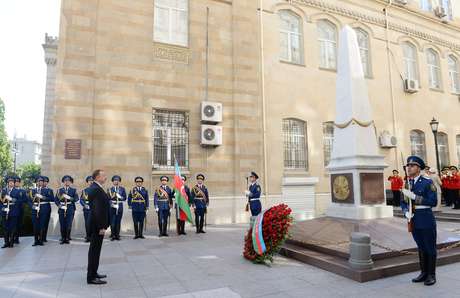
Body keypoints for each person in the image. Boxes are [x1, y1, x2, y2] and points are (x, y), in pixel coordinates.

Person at [401, 156, 437, 286]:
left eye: (412, 165)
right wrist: (405, 211)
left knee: (429, 247)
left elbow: (433, 201)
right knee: (421, 247)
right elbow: (403, 202)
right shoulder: (407, 183)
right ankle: (423, 273)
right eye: (408, 166)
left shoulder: (427, 182)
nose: (409, 168)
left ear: (418, 168)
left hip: (426, 218)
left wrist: (415, 197)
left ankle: (431, 275)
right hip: (413, 219)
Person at [86, 169, 110, 285]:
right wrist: (101, 226)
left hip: (98, 224)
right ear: (96, 177)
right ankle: (91, 277)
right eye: (103, 175)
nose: (105, 177)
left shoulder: (97, 188)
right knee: (94, 251)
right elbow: (97, 210)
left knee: (96, 250)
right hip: (97, 225)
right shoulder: (95, 189)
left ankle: (94, 272)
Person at [27, 176, 52, 246]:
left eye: (41, 181)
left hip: (44, 209)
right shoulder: (32, 190)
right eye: (38, 181)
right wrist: (33, 206)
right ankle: (35, 240)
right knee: (35, 225)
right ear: (36, 182)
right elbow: (29, 200)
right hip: (35, 209)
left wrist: (44, 197)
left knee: (42, 225)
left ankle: (41, 240)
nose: (39, 182)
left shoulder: (47, 190)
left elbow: (51, 198)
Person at [1, 176, 25, 248]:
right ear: (7, 183)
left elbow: (21, 201)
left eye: (12, 182)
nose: (11, 183)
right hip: (5, 211)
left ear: (14, 183)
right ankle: (6, 242)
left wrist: (14, 200)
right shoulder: (3, 191)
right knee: (5, 227)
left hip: (14, 211)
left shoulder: (17, 191)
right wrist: (2, 209)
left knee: (13, 227)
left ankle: (11, 242)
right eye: (9, 182)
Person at [55, 175, 79, 244]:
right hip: (62, 208)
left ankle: (67, 238)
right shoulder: (59, 190)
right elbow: (56, 200)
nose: (67, 182)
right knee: (62, 224)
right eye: (65, 181)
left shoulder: (73, 190)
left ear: (70, 182)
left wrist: (69, 198)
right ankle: (63, 238)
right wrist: (59, 205)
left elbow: (76, 199)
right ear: (63, 182)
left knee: (69, 224)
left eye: (68, 181)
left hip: (70, 208)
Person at [108, 175, 126, 241]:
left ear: (119, 181)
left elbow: (125, 198)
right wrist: (112, 204)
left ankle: (117, 235)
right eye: (115, 180)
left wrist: (120, 197)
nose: (116, 181)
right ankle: (113, 235)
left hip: (120, 206)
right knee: (112, 222)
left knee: (118, 222)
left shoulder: (122, 189)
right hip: (112, 207)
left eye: (117, 180)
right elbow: (107, 199)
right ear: (113, 181)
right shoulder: (110, 189)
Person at [80, 176, 94, 242]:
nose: (91, 182)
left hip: (94, 209)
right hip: (87, 209)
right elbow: (81, 200)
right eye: (89, 181)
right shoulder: (84, 190)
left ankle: (93, 237)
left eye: (92, 181)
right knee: (87, 223)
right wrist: (84, 205)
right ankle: (88, 236)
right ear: (87, 182)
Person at [13, 176, 26, 244]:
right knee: (13, 224)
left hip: (20, 209)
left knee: (19, 224)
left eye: (18, 182)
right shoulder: (10, 190)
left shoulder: (22, 191)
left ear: (20, 183)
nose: (17, 183)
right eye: (15, 182)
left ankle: (16, 238)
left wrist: (18, 201)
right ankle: (12, 238)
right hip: (12, 210)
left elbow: (25, 199)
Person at [42, 176, 54, 242]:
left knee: (45, 223)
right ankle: (39, 237)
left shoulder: (50, 190)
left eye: (46, 182)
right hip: (39, 208)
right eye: (44, 182)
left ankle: (44, 237)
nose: (45, 183)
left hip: (46, 208)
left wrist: (45, 198)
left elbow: (52, 199)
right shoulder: (38, 190)